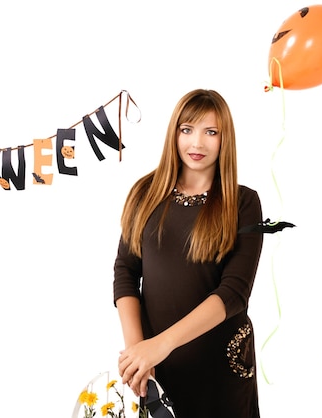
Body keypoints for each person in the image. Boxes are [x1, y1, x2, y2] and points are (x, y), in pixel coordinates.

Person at [113, 89, 264, 418]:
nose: (197, 143)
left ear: (225, 139)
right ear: (174, 133)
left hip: (219, 367)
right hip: (159, 370)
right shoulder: (145, 194)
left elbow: (234, 292)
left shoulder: (243, 202)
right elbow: (125, 271)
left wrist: (161, 344)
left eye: (211, 132)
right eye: (187, 130)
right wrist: (139, 350)